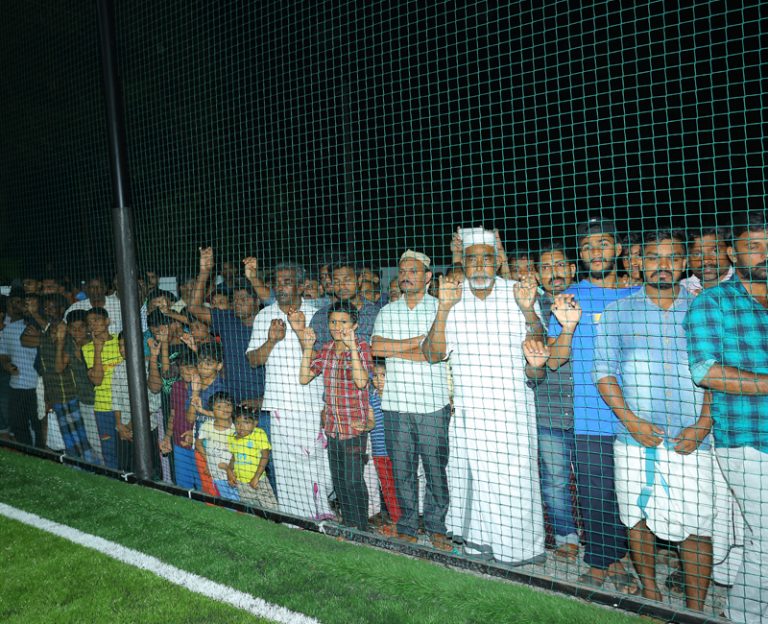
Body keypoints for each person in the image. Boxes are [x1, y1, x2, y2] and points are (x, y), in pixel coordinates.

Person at [594, 230, 714, 610]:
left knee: (697, 525)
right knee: (636, 518)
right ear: (638, 262)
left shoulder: (703, 309)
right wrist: (631, 422)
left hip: (692, 439)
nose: (663, 265)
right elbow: (604, 373)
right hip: (634, 438)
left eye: (672, 257)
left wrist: (703, 425)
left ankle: (696, 609)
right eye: (654, 257)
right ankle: (650, 593)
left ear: (684, 263)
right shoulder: (617, 312)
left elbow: (716, 371)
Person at [422, 227, 545, 564]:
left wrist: (529, 310)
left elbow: (539, 343)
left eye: (486, 259)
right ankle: (478, 546)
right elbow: (433, 354)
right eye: (471, 259)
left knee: (515, 482)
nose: (478, 266)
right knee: (470, 479)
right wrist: (444, 309)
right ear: (462, 261)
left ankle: (521, 550)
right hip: (469, 411)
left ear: (496, 262)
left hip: (512, 411)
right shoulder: (452, 296)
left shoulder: (517, 293)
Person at [547, 216, 640, 593]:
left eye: (603, 243)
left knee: (629, 496)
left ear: (617, 249)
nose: (595, 252)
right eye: (587, 246)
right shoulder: (569, 297)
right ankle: (601, 562)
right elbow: (554, 360)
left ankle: (620, 560)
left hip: (637, 417)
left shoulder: (637, 295)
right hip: (588, 416)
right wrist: (567, 326)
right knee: (595, 494)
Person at [684, 209, 768, 623]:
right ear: (734, 254)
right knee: (766, 539)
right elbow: (705, 372)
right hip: (748, 440)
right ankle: (744, 616)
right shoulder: (712, 304)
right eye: (753, 246)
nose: (764, 255)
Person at [371, 250, 451, 550]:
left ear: (428, 277)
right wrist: (416, 342)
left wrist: (403, 349)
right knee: (401, 468)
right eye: (402, 271)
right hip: (394, 404)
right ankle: (407, 524)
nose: (405, 275)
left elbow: (435, 353)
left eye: (413, 271)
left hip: (432, 404)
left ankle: (436, 525)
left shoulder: (441, 309)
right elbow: (376, 348)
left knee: (434, 467)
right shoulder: (387, 311)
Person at [247, 263, 334, 520]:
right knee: (286, 470)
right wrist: (272, 340)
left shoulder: (317, 313)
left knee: (319, 465)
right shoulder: (264, 316)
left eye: (286, 281)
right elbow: (253, 360)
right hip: (280, 404)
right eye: (277, 281)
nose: (280, 286)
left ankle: (321, 513)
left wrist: (297, 331)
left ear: (300, 285)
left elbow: (321, 358)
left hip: (312, 403)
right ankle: (295, 520)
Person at [300, 302, 373, 531]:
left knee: (353, 481)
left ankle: (361, 529)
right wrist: (308, 347)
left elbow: (362, 382)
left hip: (354, 428)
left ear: (355, 325)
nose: (337, 327)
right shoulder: (327, 348)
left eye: (343, 322)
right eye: (333, 322)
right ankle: (349, 526)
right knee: (340, 483)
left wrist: (351, 348)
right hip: (332, 428)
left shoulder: (361, 346)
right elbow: (304, 377)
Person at [532, 242, 580, 559]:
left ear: (572, 268)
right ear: (537, 274)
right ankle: (567, 538)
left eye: (560, 265)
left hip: (593, 409)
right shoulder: (531, 308)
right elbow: (545, 358)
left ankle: (606, 542)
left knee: (599, 480)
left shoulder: (589, 299)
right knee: (555, 481)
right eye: (546, 267)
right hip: (548, 408)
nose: (554, 272)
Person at [22, 294, 95, 462]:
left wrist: (59, 339)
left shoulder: (73, 337)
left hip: (77, 396)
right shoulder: (49, 333)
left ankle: (94, 467)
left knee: (85, 438)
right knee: (69, 438)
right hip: (57, 395)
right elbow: (26, 339)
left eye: (52, 307)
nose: (49, 310)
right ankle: (75, 466)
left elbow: (61, 365)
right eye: (46, 307)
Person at [111, 332, 164, 475]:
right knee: (126, 469)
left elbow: (153, 404)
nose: (122, 349)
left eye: (126, 345)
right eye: (120, 345)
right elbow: (115, 399)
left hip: (147, 428)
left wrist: (129, 426)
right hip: (123, 430)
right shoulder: (117, 369)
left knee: (150, 469)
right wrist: (119, 425)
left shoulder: (149, 367)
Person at [82, 307, 123, 470]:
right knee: (109, 449)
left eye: (97, 320)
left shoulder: (120, 341)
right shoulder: (87, 349)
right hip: (103, 407)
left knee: (127, 445)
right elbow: (97, 380)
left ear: (107, 321)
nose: (93, 324)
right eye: (89, 322)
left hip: (125, 404)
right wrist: (97, 350)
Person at [0, 290, 43, 447]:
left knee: (39, 426)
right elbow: (3, 353)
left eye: (27, 305)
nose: (25, 309)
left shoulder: (43, 328)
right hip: (17, 385)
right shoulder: (9, 329)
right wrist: (6, 365)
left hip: (38, 387)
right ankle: (29, 454)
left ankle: (42, 454)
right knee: (18, 424)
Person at [309, 260, 380, 352]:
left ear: (359, 280)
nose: (341, 286)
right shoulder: (321, 316)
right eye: (336, 281)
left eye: (347, 280)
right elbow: (313, 354)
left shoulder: (375, 315)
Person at [186, 342, 227, 496]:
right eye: (200, 361)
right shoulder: (194, 385)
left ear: (219, 365)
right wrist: (195, 393)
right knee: (209, 490)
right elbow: (190, 419)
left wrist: (203, 410)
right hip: (201, 446)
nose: (203, 366)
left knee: (226, 489)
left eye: (209, 363)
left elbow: (224, 419)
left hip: (221, 447)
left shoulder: (221, 388)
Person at [368, 358, 401, 537]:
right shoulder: (371, 397)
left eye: (383, 375)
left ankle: (404, 521)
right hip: (379, 452)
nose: (379, 379)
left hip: (397, 451)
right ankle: (396, 520)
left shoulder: (397, 397)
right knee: (387, 488)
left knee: (402, 486)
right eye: (375, 376)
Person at [226, 406, 278, 509]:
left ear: (255, 423)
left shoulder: (258, 434)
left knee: (272, 510)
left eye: (246, 422)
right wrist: (229, 471)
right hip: (241, 483)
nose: (241, 426)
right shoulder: (232, 437)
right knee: (252, 511)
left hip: (259, 481)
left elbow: (265, 456)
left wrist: (256, 477)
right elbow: (234, 458)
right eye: (238, 423)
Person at [196, 391, 238, 501]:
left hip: (235, 475)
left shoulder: (237, 429)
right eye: (219, 406)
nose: (225, 409)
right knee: (227, 502)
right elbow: (198, 443)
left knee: (240, 501)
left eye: (228, 405)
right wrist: (208, 461)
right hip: (217, 475)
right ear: (212, 410)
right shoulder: (207, 426)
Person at [680, 226, 734, 295]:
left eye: (715, 251)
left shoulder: (746, 285)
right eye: (697, 254)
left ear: (730, 252)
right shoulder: (681, 289)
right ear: (687, 261)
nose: (706, 260)